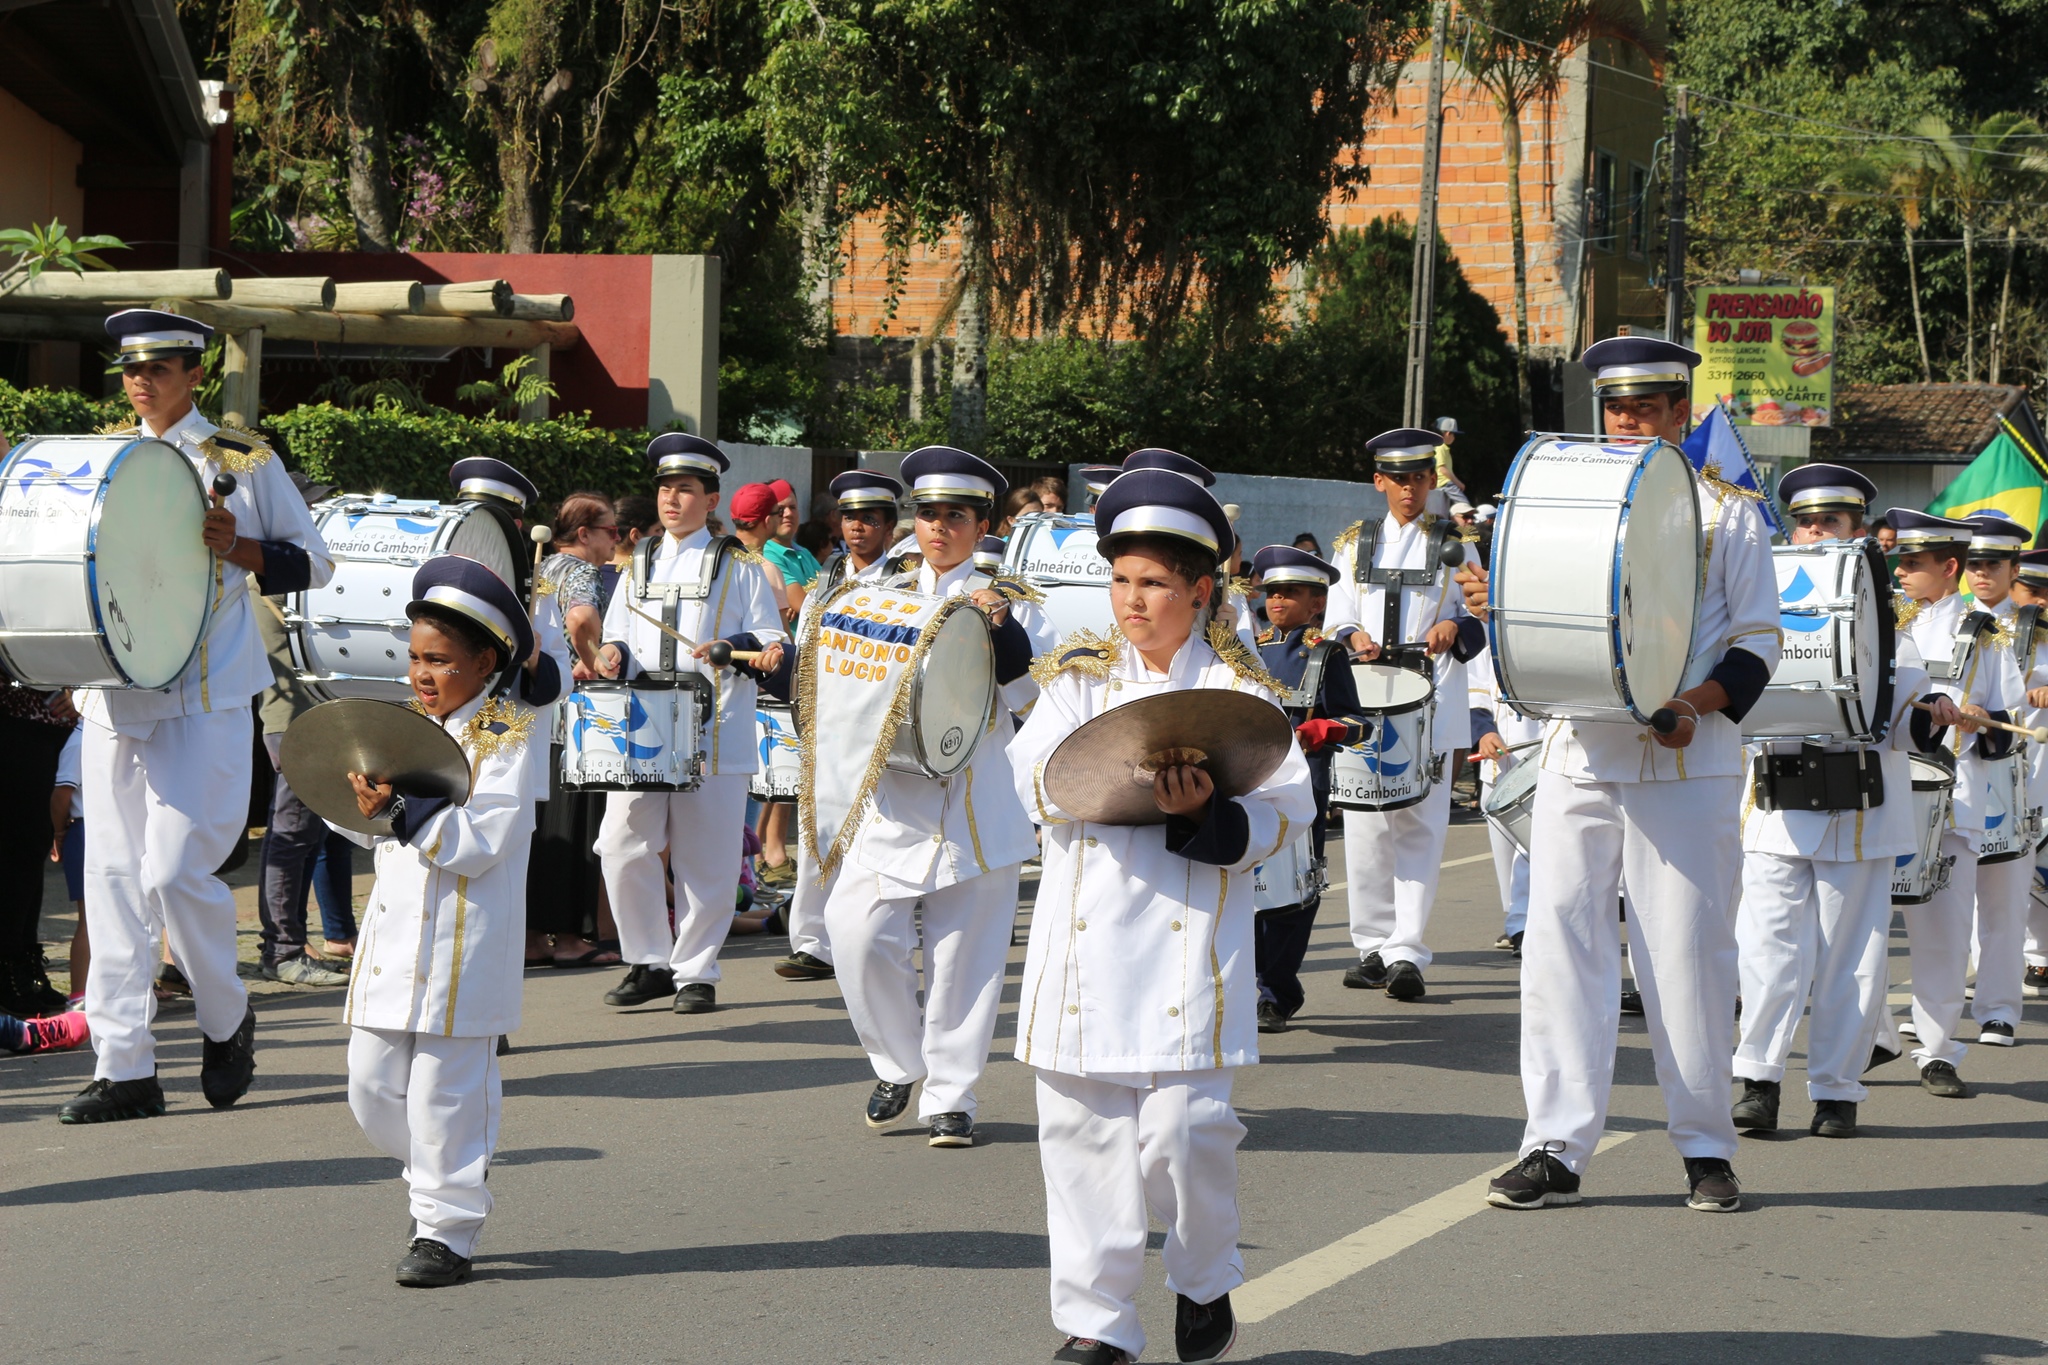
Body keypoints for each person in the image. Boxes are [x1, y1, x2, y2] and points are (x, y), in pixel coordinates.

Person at [1458, 335, 1781, 1212]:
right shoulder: (1565, 500)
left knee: (1685, 958)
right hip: (1581, 758)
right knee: (1561, 948)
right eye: (1614, 407)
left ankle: (1707, 1148)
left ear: (1682, 411)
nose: (1628, 421)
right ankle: (1554, 1145)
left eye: (1646, 406)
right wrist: (1497, 609)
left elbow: (1760, 642)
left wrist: (1696, 705)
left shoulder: (1727, 513)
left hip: (1687, 761)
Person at [1010, 466, 1315, 1365]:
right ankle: (1098, 1324)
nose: (1131, 601)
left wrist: (1211, 817)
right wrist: (1103, 783)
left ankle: (1203, 1271)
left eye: (1152, 583)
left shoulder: (1241, 691)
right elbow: (1029, 779)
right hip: (1083, 943)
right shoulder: (1075, 681)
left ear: (1200, 590)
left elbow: (1286, 814)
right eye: (1120, 580)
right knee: (1080, 1137)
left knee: (1185, 1135)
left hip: (1188, 946)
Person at [59, 310, 334, 1125]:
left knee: (174, 870)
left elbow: (311, 559)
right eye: (131, 369)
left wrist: (242, 547)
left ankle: (225, 1014)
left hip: (206, 690)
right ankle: (126, 1068)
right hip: (114, 691)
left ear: (192, 374)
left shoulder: (240, 459)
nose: (141, 381)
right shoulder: (104, 456)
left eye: (159, 368)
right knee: (110, 882)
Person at [819, 447, 1058, 1148]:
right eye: (926, 514)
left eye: (954, 515)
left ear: (982, 523)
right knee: (853, 927)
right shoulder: (878, 589)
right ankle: (898, 1060)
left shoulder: (1014, 595)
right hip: (893, 797)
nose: (937, 527)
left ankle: (951, 1096)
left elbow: (1032, 693)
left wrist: (999, 627)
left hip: (977, 801)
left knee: (967, 956)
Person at [339, 555, 546, 1288]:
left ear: (485, 661)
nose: (423, 674)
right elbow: (368, 829)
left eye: (441, 661)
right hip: (395, 938)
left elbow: (481, 841)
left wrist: (399, 809)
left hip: (465, 941)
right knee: (369, 1085)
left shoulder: (510, 733)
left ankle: (446, 1228)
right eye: (415, 658)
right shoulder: (399, 725)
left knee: (445, 1094)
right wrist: (365, 805)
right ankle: (438, 1175)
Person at [1730, 467, 1952, 1140]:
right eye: (1805, 521)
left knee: (1852, 956)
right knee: (1766, 949)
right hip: (1777, 802)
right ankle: (1758, 1081)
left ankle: (1835, 1089)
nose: (1816, 531)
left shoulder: (1892, 629)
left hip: (1858, 805)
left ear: (1860, 534)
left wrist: (1933, 713)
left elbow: (1906, 714)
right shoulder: (1758, 619)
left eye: (1832, 521)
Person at [594, 434, 787, 1016]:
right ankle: (648, 959)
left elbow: (774, 640)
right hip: (644, 727)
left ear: (711, 500)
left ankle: (696, 971)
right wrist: (610, 656)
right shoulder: (638, 563)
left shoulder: (742, 565)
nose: (671, 500)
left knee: (707, 857)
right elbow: (617, 636)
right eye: (664, 489)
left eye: (685, 490)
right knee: (622, 846)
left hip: (716, 727)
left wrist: (735, 647)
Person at [1323, 428, 1487, 1003]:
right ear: (1379, 483)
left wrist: (1457, 626)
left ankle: (1407, 951)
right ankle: (1371, 946)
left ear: (1430, 482)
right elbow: (1335, 616)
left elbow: (1483, 614)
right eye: (1397, 480)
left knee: (1420, 826)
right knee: (1367, 827)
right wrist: (1353, 633)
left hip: (1429, 695)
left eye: (1419, 478)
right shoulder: (1353, 543)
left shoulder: (1454, 541)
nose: (1409, 489)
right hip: (1368, 698)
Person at [1878, 509, 2025, 1097]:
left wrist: (1981, 719)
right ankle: (1875, 1036)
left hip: (1952, 797)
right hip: (1883, 791)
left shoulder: (1983, 629)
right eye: (1901, 562)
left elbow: (2009, 718)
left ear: (1950, 567)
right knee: (1860, 932)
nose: (1904, 572)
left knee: (1942, 930)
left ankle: (1937, 1050)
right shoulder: (1879, 620)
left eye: (1915, 563)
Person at [761, 469, 912, 983]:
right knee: (816, 829)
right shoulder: (826, 576)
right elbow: (805, 645)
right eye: (850, 518)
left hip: (879, 723)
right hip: (827, 722)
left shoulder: (907, 582)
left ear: (889, 528)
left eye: (869, 520)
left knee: (879, 834)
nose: (857, 528)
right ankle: (812, 943)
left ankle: (871, 937)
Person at [1249, 545, 1371, 1033]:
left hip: (1302, 783)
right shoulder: (1248, 646)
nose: (1277, 600)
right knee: (1246, 885)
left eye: (1291, 593)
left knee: (1293, 891)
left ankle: (1276, 992)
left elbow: (1359, 724)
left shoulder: (1326, 654)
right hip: (1250, 778)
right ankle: (1249, 984)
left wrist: (1322, 730)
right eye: (1272, 592)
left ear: (1317, 603)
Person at [255, 474, 357, 987]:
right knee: (292, 834)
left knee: (306, 834)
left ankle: (290, 943)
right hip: (292, 718)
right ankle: (281, 950)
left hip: (318, 714)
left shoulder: (293, 574)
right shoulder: (268, 577)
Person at [1949, 512, 2034, 1048]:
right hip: (1951, 782)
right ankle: (1939, 1004)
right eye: (1974, 564)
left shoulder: (2034, 627)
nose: (1982, 574)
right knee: (1946, 902)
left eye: (1994, 564)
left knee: (2004, 902)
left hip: (2012, 778)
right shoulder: (1940, 621)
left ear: (2013, 567)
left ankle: (1999, 1007)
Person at [526, 491, 621, 969]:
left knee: (542, 832)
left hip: (538, 713)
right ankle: (565, 936)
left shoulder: (542, 568)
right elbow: (581, 618)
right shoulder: (582, 572)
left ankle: (529, 936)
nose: (616, 541)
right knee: (573, 828)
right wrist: (595, 661)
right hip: (574, 721)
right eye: (611, 531)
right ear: (584, 534)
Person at [1467, 643, 1539, 955]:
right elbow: (1475, 695)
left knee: (1530, 850)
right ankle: (1516, 919)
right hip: (1497, 765)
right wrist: (1483, 733)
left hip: (1539, 762)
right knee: (1504, 858)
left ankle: (1525, 924)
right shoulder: (1485, 644)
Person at [2016, 549, 2048, 1001]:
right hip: (2016, 767)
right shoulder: (1999, 638)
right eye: (2033, 592)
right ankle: (2036, 955)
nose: (2040, 602)